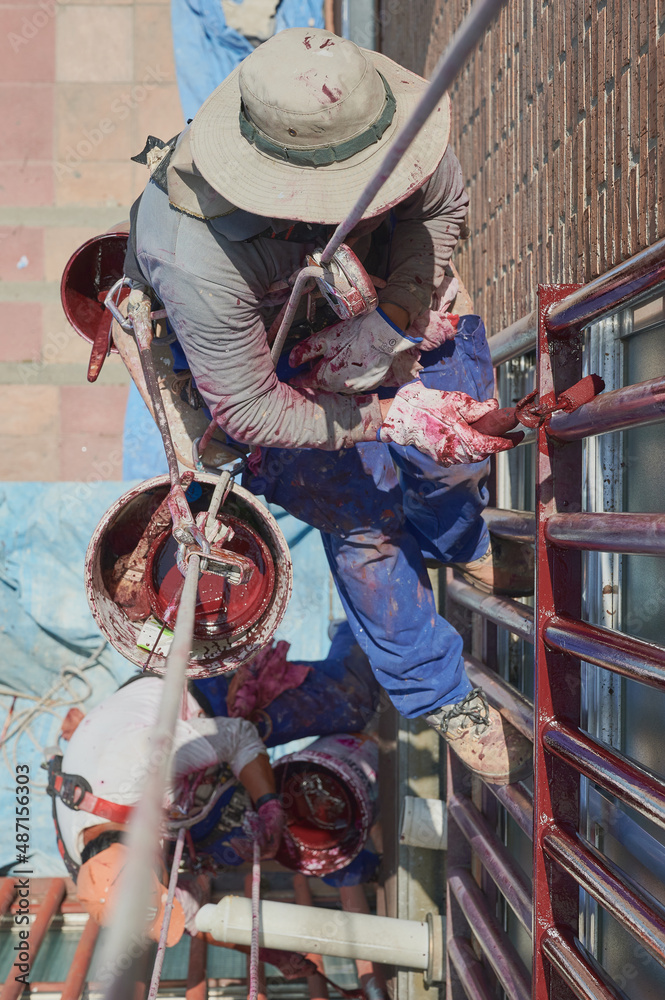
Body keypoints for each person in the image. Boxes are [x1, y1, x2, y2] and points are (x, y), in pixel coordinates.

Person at [123, 27, 532, 783]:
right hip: (266, 371)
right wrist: (383, 417)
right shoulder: (193, 251)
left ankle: (463, 546)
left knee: (456, 438)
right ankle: (443, 696)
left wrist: (399, 311)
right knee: (363, 520)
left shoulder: (377, 114)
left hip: (381, 295)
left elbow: (438, 210)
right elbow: (246, 408)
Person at [48, 622, 380, 951]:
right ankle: (358, 865)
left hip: (196, 701)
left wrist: (268, 805)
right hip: (175, 794)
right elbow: (188, 916)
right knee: (263, 837)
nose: (168, 887)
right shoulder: (99, 880)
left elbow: (239, 738)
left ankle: (352, 629)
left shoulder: (137, 764)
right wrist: (273, 957)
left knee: (354, 699)